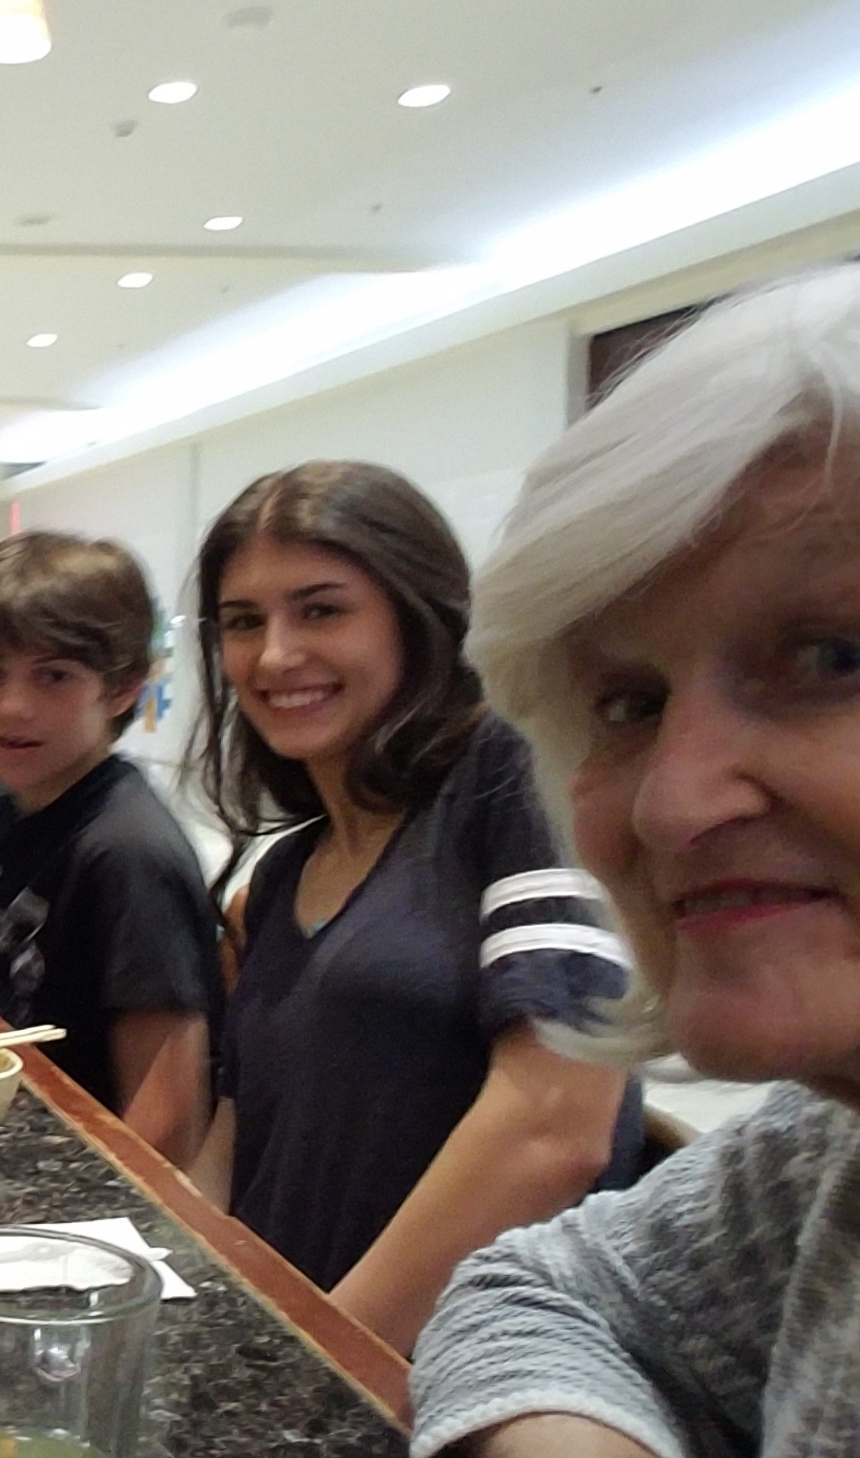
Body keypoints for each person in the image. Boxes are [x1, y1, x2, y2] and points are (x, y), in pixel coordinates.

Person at [408, 268, 860, 1458]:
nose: (671, 803)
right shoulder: (823, 1151)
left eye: (834, 657)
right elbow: (542, 1289)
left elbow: (551, 1126)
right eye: (629, 701)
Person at [184, 460, 641, 1357]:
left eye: (322, 610)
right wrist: (162, 1289)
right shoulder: (282, 874)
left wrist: (315, 1363)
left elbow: (557, 1125)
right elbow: (236, 1142)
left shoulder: (512, 775)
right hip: (268, 1357)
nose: (274, 655)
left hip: (449, 1375)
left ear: (418, 615)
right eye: (243, 622)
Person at [0, 533, 220, 1164]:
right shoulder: (21, 811)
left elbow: (168, 1122)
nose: (13, 706)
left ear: (121, 688)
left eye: (54, 676)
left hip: (84, 1198)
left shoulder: (127, 854)